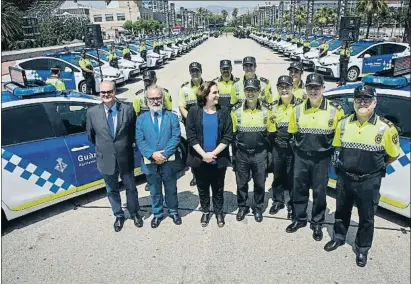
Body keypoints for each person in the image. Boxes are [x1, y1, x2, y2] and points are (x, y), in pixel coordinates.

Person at [324, 85, 400, 267]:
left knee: (366, 218)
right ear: (354, 101)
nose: (362, 103)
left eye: (367, 100)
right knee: (342, 211)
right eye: (359, 99)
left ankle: (362, 248)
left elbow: (393, 155)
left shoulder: (386, 128)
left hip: (369, 180)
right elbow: (338, 146)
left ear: (375, 102)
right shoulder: (343, 123)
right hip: (345, 178)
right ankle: (339, 237)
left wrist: (374, 167)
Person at [286, 74, 344, 240]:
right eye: (310, 87)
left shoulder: (336, 110)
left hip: (322, 158)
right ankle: (299, 218)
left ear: (323, 88)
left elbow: (340, 136)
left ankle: (317, 222)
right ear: (306, 89)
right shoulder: (296, 109)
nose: (313, 90)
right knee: (299, 189)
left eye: (316, 87)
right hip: (301, 156)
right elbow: (292, 134)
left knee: (320, 192)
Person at [86, 81, 143, 232]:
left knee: (131, 187)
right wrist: (107, 147)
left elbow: (132, 133)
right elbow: (91, 136)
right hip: (105, 158)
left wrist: (123, 146)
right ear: (99, 94)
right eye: (103, 92)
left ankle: (134, 212)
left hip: (125, 156)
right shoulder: (92, 113)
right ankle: (118, 215)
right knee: (111, 189)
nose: (106, 95)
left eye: (109, 91)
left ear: (115, 91)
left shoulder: (128, 109)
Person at [186, 81, 233, 227]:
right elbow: (191, 136)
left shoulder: (224, 111)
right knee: (202, 187)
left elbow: (227, 136)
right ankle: (206, 211)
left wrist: (212, 153)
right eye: (214, 93)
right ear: (205, 95)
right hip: (199, 159)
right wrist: (203, 155)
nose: (218, 95)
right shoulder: (194, 111)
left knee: (218, 187)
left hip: (218, 159)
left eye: (217, 92)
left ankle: (219, 212)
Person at [135, 85, 182, 229]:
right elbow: (140, 140)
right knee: (154, 190)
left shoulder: (172, 117)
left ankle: (173, 211)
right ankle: (157, 214)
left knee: (171, 188)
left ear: (162, 99)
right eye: (152, 99)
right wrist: (152, 154)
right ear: (147, 100)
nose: (155, 101)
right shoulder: (141, 119)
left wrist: (164, 154)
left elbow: (176, 137)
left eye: (158, 98)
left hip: (168, 161)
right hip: (150, 163)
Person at [231, 78, 277, 223]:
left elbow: (271, 133)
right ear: (244, 91)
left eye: (254, 90)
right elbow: (232, 134)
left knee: (260, 183)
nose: (250, 93)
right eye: (248, 90)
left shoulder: (266, 110)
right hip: (242, 153)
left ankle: (257, 208)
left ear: (259, 92)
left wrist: (267, 154)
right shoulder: (236, 111)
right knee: (241, 183)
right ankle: (242, 206)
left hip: (259, 153)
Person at [269, 75, 303, 219]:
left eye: (287, 87)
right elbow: (270, 129)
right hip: (278, 147)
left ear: (292, 88)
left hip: (294, 148)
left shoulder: (301, 105)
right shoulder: (273, 106)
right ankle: (278, 201)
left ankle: (292, 204)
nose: (284, 90)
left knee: (292, 177)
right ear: (277, 89)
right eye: (281, 87)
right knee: (278, 176)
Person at [179, 62, 204, 187]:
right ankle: (195, 175)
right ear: (190, 72)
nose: (195, 73)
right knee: (193, 151)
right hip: (192, 125)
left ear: (201, 71)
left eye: (197, 71)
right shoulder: (184, 89)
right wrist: (191, 120)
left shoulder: (207, 86)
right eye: (193, 71)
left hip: (205, 124)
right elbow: (182, 107)